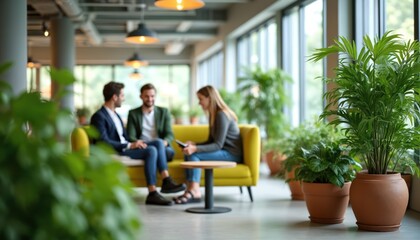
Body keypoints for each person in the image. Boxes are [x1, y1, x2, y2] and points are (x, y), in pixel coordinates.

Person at [90, 81, 185, 206]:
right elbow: (103, 141)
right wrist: (130, 145)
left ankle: (166, 181)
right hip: (118, 150)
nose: (123, 99)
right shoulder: (99, 116)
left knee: (157, 143)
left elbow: (125, 137)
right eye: (122, 95)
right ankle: (152, 193)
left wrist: (135, 143)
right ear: (115, 97)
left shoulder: (115, 115)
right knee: (152, 150)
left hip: (125, 147)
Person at [173, 85, 243, 204]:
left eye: (201, 99)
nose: (199, 103)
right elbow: (211, 141)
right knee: (189, 153)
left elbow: (218, 145)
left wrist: (195, 149)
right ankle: (190, 189)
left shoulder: (222, 115)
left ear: (209, 98)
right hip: (222, 151)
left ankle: (195, 192)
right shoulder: (213, 115)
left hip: (231, 154)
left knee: (194, 155)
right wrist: (194, 144)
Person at [126, 83, 175, 162]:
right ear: (141, 96)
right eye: (146, 96)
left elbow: (169, 133)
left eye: (152, 96)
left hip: (160, 145)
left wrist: (165, 142)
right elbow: (131, 135)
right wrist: (138, 143)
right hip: (143, 145)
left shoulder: (164, 112)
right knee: (154, 151)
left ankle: (152, 156)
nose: (150, 99)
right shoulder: (133, 113)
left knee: (169, 152)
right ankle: (164, 173)